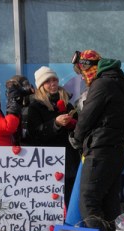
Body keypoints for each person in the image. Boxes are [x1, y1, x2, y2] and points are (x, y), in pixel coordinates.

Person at [71, 51, 124, 231]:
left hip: (99, 150)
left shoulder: (101, 84)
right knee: (109, 203)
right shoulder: (119, 84)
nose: (84, 77)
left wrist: (77, 138)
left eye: (83, 71)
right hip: (116, 150)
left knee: (88, 201)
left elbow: (88, 116)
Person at [26, 66, 80, 207]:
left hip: (70, 158)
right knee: (53, 201)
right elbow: (34, 135)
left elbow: (79, 128)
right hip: (49, 161)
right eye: (48, 81)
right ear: (41, 85)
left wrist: (73, 124)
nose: (53, 84)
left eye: (54, 80)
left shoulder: (67, 104)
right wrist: (55, 123)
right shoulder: (35, 107)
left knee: (71, 196)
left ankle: (71, 226)